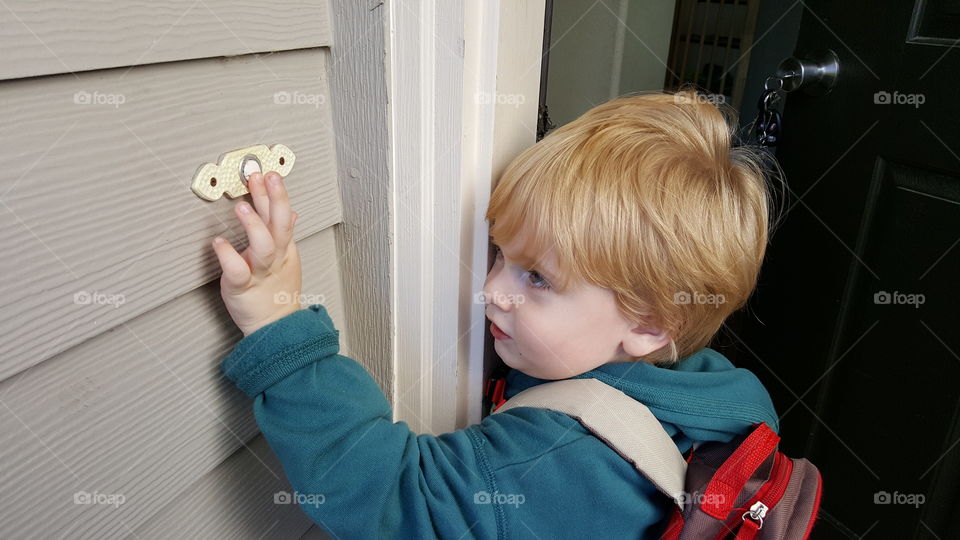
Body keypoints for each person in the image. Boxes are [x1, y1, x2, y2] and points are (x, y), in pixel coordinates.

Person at [211, 87, 782, 539]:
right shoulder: (708, 391)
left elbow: (399, 497)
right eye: (501, 254)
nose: (491, 289)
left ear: (648, 325)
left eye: (537, 277)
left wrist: (279, 324)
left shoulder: (568, 459)